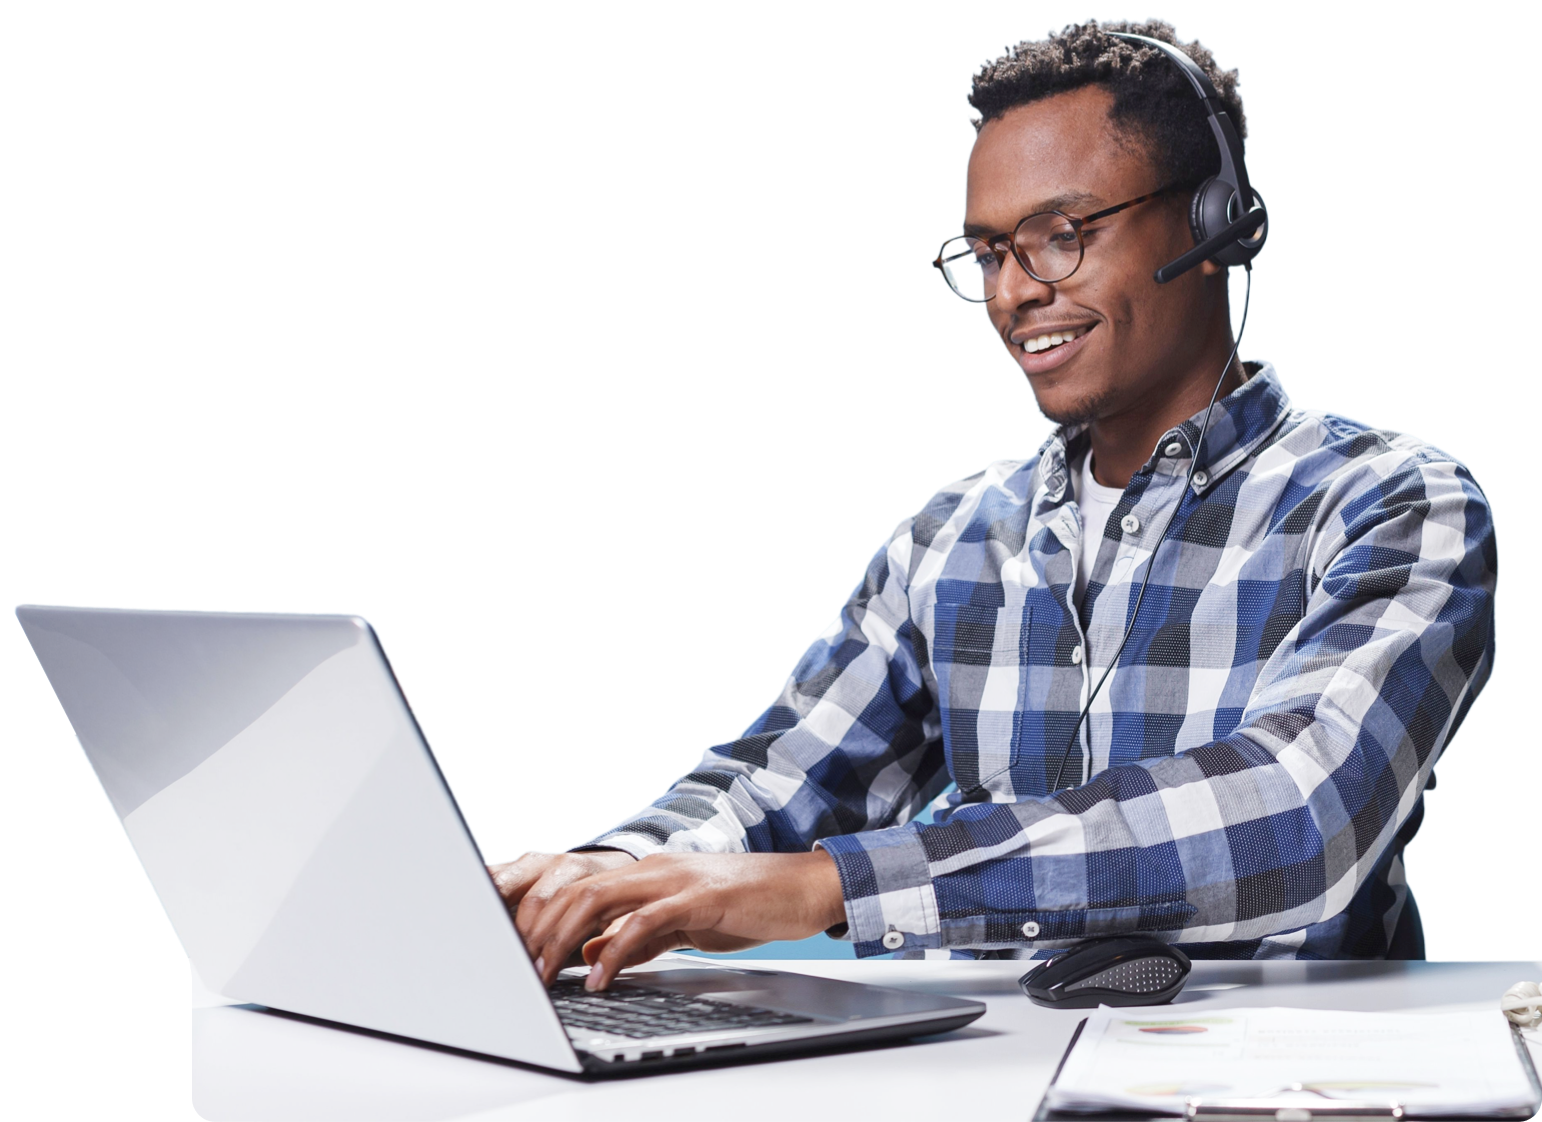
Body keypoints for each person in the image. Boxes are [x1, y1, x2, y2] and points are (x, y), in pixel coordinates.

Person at [493, 17, 1498, 991]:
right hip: (967, 1082)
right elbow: (789, 777)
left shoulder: (1391, 502)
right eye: (987, 254)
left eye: (1060, 235)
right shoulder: (953, 537)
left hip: (1268, 1091)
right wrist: (599, 875)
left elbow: (1299, 811)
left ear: (1215, 222)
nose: (1015, 293)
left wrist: (838, 884)